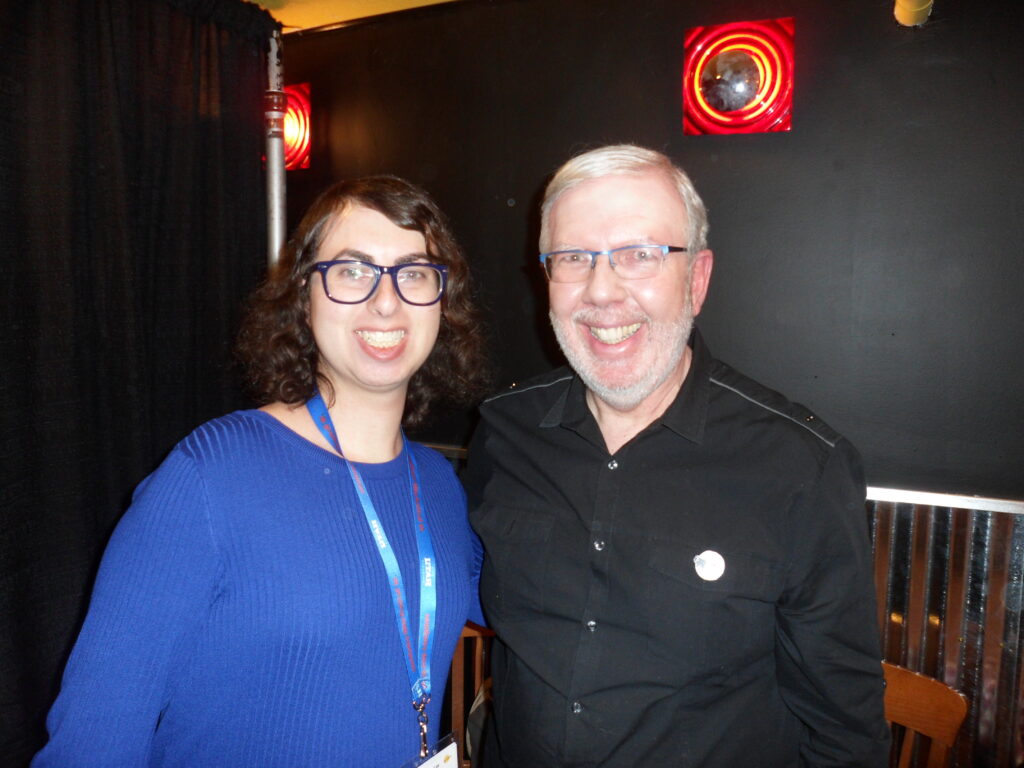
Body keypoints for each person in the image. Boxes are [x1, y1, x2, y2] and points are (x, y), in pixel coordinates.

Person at [34, 176, 489, 767]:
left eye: (413, 272)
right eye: (353, 271)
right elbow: (92, 742)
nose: (387, 301)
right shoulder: (209, 476)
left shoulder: (438, 485)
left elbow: (521, 601)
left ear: (441, 301)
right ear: (305, 294)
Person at [465, 145, 890, 767]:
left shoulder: (801, 466)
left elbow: (844, 727)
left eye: (640, 255)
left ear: (697, 279)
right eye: (573, 258)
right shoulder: (505, 429)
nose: (602, 291)